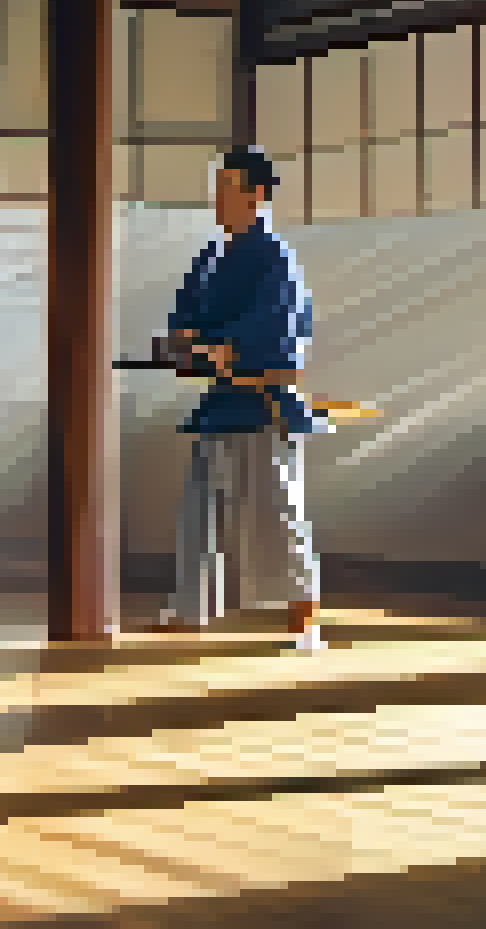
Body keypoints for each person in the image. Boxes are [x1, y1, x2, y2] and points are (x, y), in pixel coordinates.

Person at [158, 146, 327, 650]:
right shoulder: (213, 256)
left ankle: (305, 620)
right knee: (200, 509)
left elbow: (276, 329)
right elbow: (184, 317)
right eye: (217, 189)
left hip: (263, 399)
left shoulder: (274, 257)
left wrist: (218, 345)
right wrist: (186, 340)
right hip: (221, 400)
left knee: (279, 509)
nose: (218, 199)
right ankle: (192, 609)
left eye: (227, 189)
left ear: (256, 194)